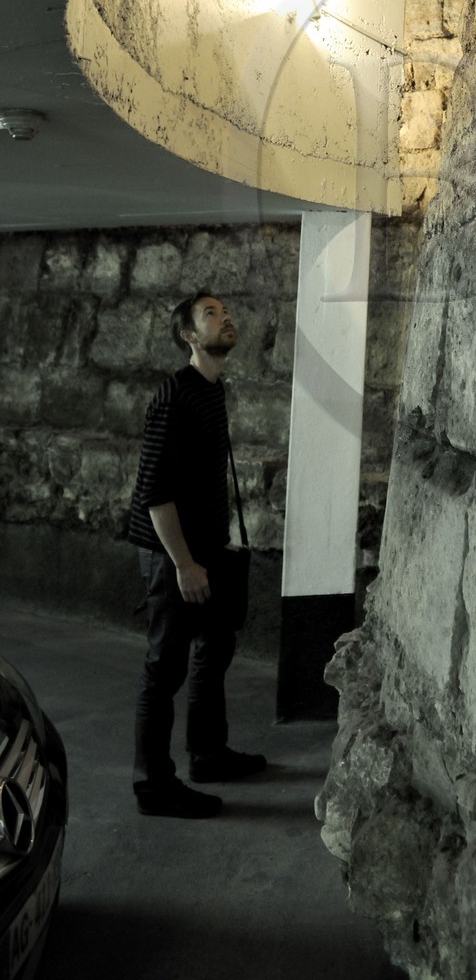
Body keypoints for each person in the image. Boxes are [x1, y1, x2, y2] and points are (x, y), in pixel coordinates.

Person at [127, 289, 266, 817]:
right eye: (211, 314)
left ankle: (207, 754)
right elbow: (154, 493)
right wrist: (184, 564)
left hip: (204, 549)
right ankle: (153, 785)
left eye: (226, 311)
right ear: (189, 335)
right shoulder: (174, 396)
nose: (225, 317)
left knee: (216, 647)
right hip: (172, 555)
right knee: (165, 666)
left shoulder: (213, 390)